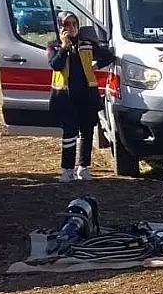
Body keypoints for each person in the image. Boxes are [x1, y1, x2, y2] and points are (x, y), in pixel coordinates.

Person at [47, 12, 115, 182]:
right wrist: (64, 47)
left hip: (87, 95)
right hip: (66, 97)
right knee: (69, 134)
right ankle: (67, 169)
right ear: (60, 27)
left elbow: (108, 56)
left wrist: (96, 65)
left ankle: (83, 168)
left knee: (86, 132)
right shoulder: (53, 45)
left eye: (73, 24)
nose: (70, 27)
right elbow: (55, 65)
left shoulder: (87, 44)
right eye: (66, 24)